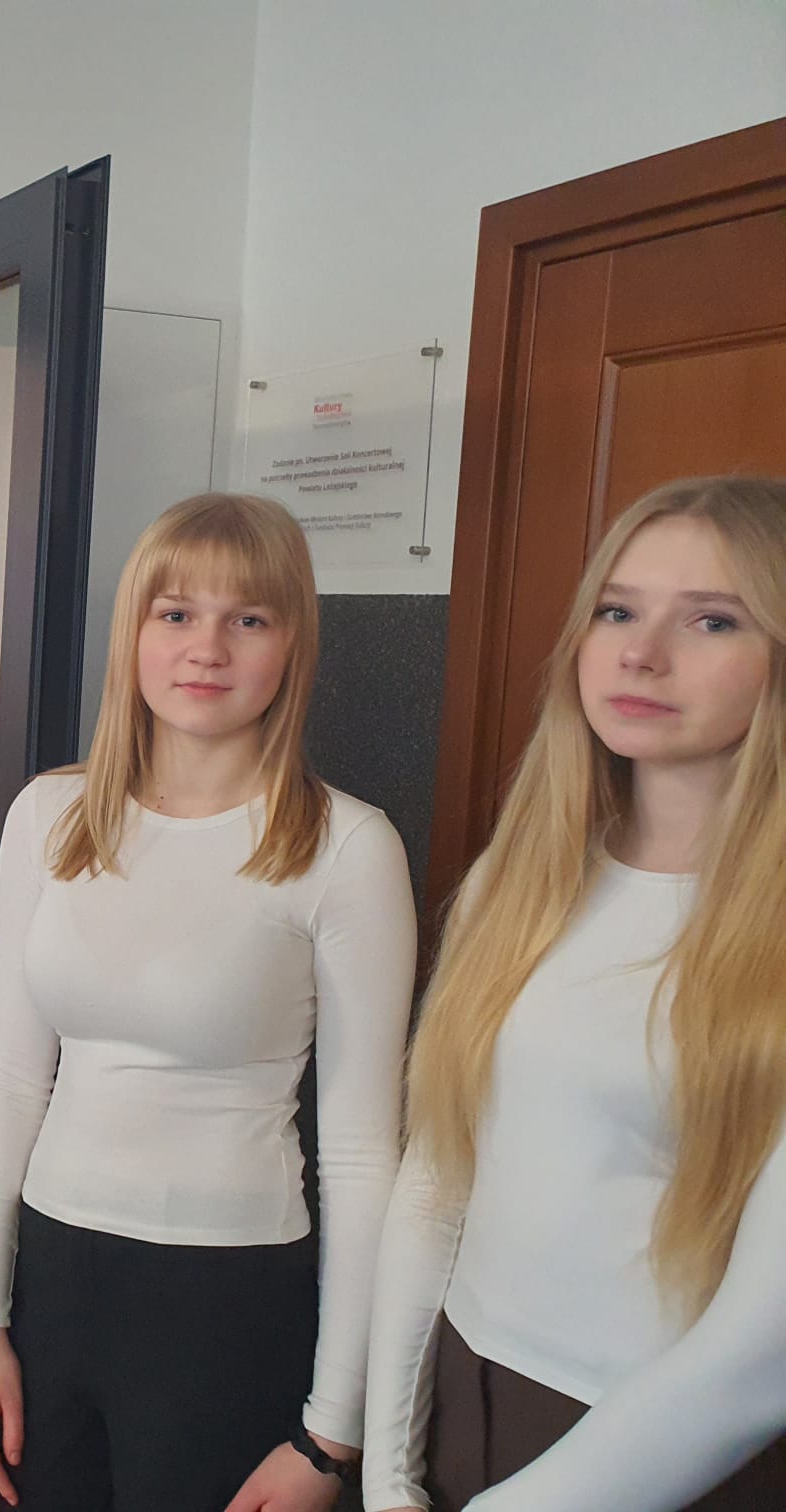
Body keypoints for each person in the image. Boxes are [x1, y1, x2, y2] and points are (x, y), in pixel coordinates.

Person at [0, 492, 416, 1512]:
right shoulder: (49, 816)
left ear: (292, 643)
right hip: (51, 1284)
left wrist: (331, 1435)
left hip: (228, 1300)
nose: (207, 647)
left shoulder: (347, 848)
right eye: (176, 613)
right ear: (134, 631)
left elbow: (361, 1153)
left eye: (248, 617)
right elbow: (13, 1079)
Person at [363, 476, 786, 1512]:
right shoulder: (519, 886)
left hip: (669, 1455)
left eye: (713, 620)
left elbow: (758, 1359)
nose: (642, 654)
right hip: (463, 1398)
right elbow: (438, 1180)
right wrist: (386, 1471)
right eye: (617, 611)